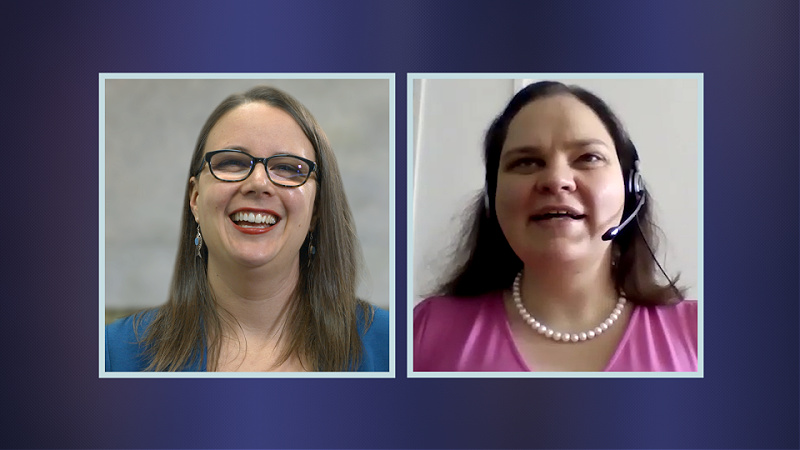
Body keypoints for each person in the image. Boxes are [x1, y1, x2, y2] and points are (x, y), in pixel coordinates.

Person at [413, 81, 697, 372]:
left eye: (588, 158)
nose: (556, 179)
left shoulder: (698, 335)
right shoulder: (424, 333)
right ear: (492, 196)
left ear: (631, 188)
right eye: (526, 162)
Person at [106, 85, 389, 372]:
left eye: (289, 168)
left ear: (316, 209)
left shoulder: (394, 347)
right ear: (195, 199)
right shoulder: (114, 355)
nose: (258, 183)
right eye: (232, 162)